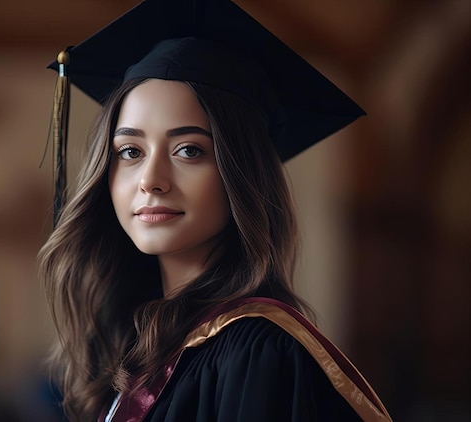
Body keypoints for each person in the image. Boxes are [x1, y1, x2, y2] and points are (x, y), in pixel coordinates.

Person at [38, 0, 392, 421]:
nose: (151, 179)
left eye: (189, 150)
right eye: (130, 151)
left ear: (242, 175)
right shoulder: (143, 344)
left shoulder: (257, 350)